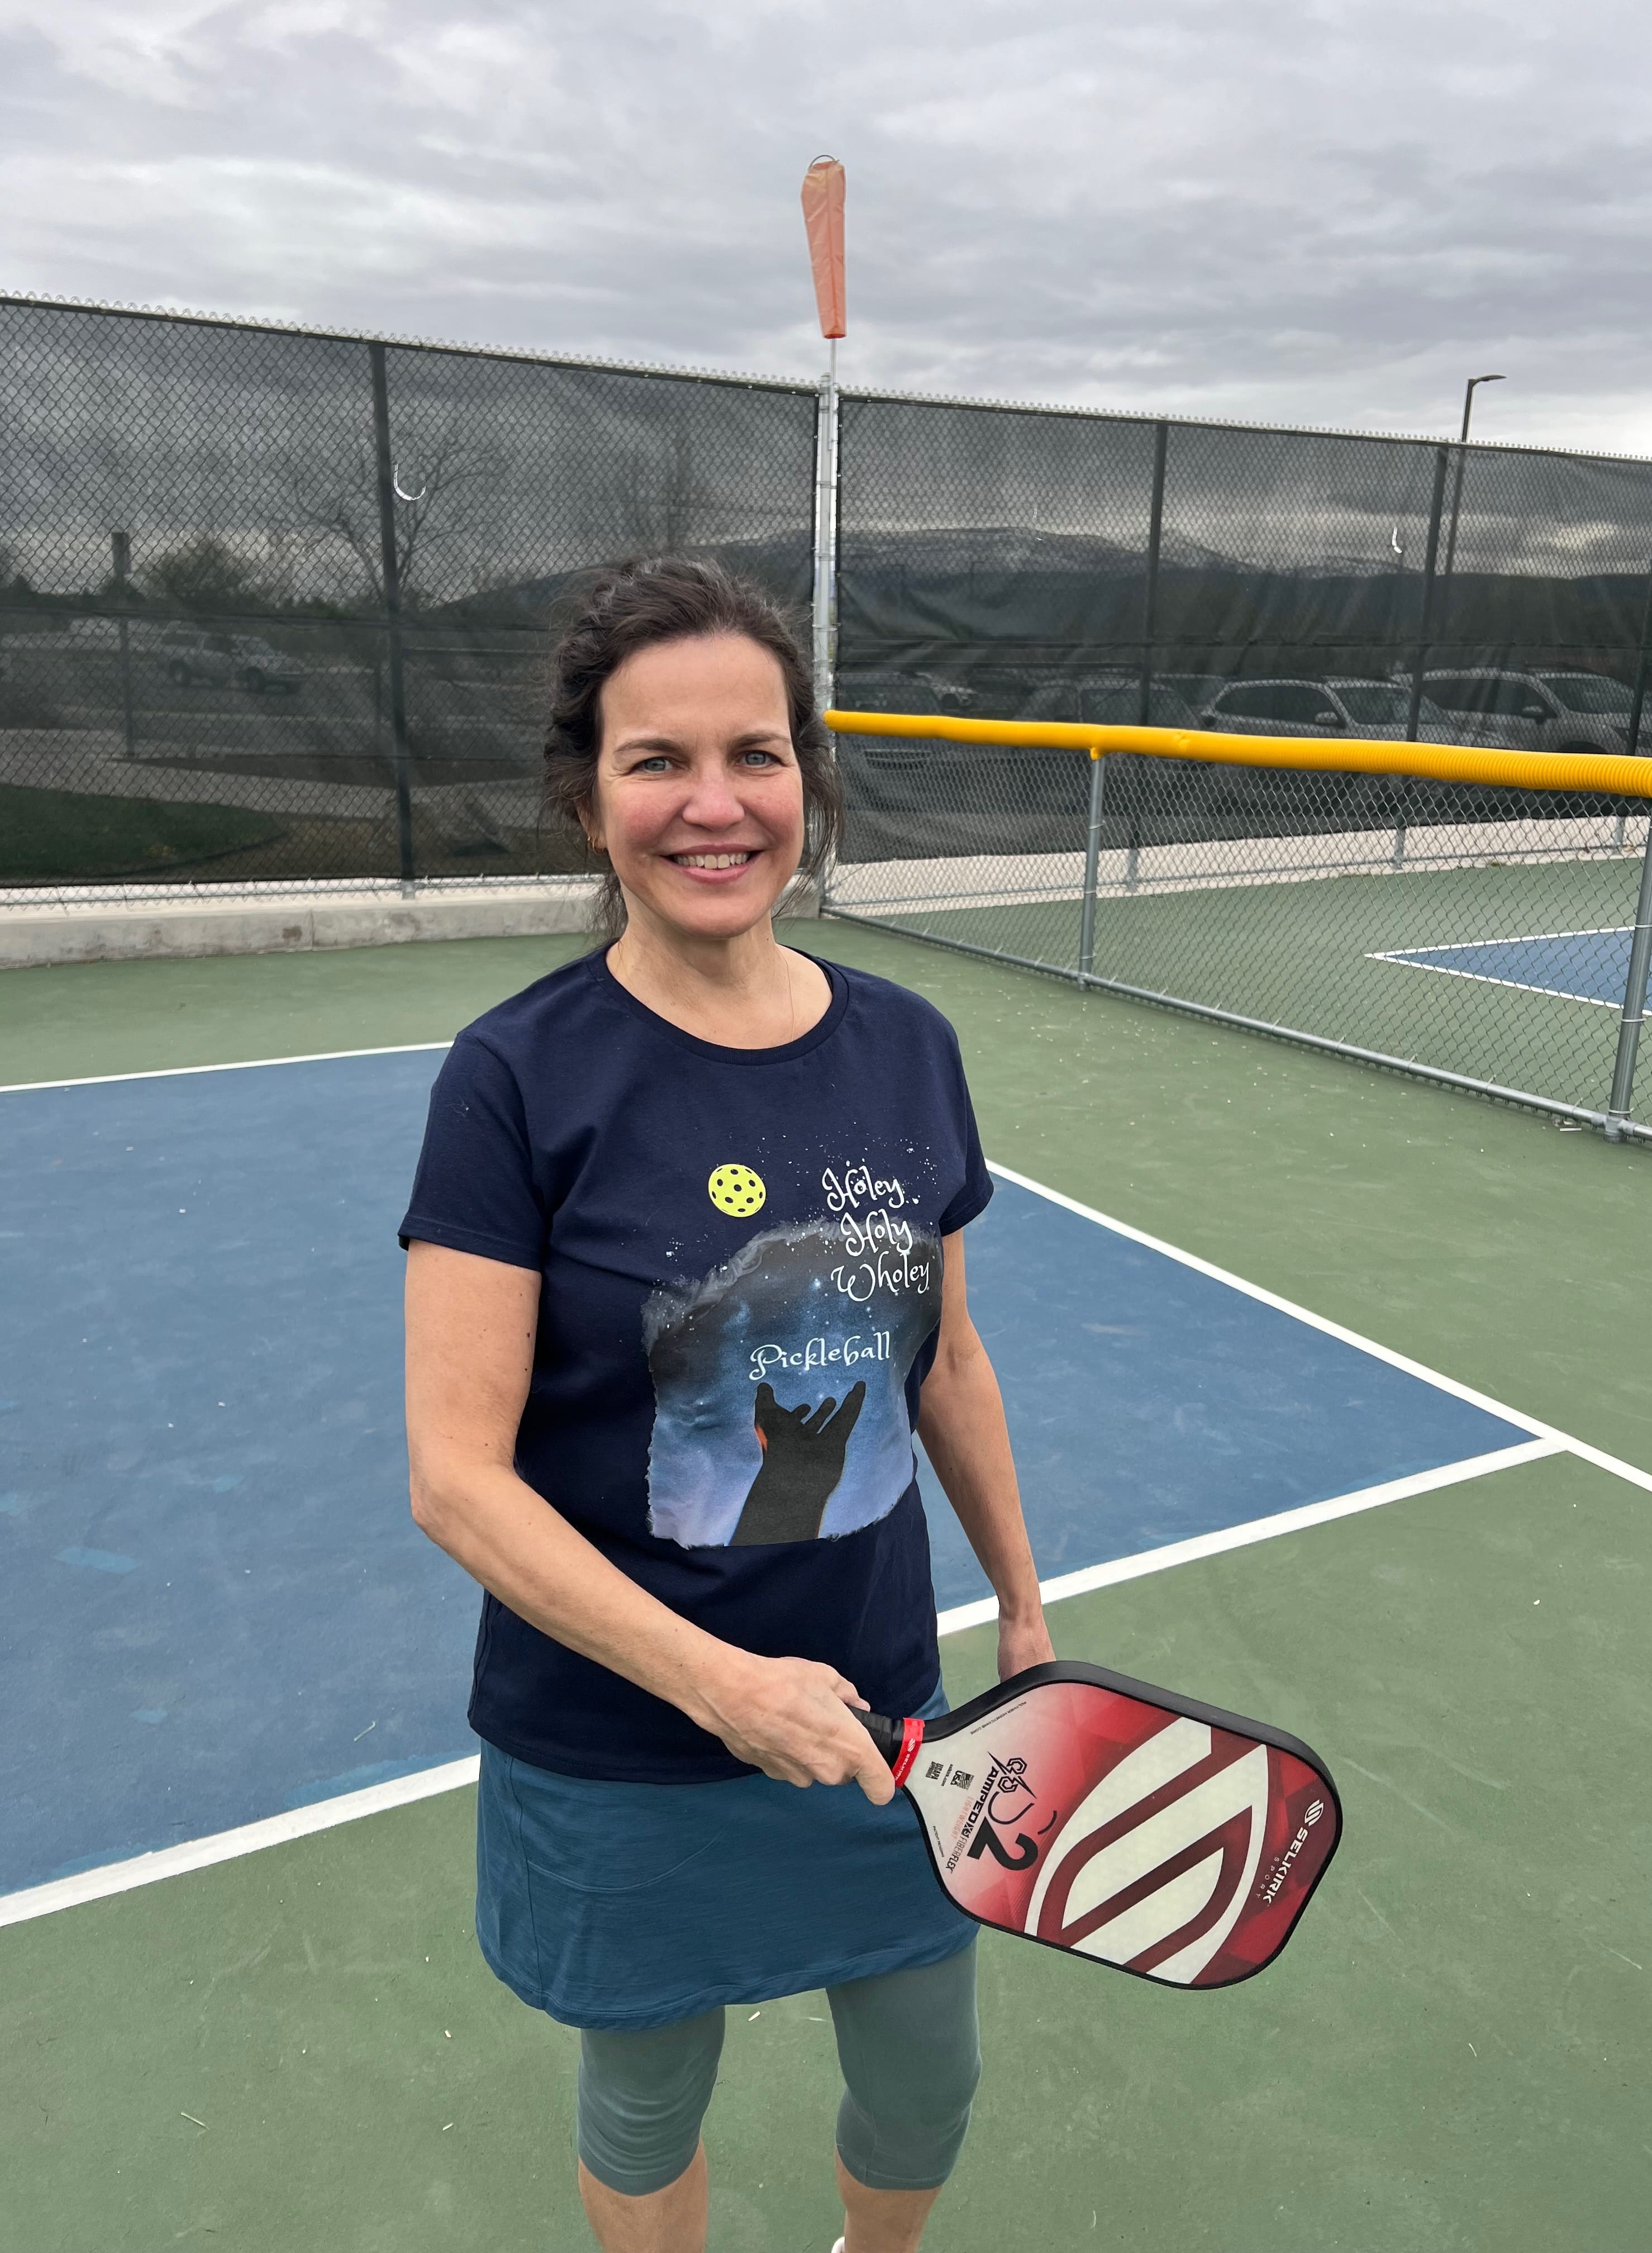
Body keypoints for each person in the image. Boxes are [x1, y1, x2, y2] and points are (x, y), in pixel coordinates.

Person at [402, 557, 1052, 2253]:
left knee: (927, 2082)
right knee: (646, 2098)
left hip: (883, 1711)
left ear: (808, 780)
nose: (716, 804)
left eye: (756, 755)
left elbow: (950, 1361)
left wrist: (1032, 1621)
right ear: (587, 795)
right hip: (624, 1733)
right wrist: (725, 1692)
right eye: (656, 761)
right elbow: (458, 1480)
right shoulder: (514, 1078)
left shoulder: (910, 1042)